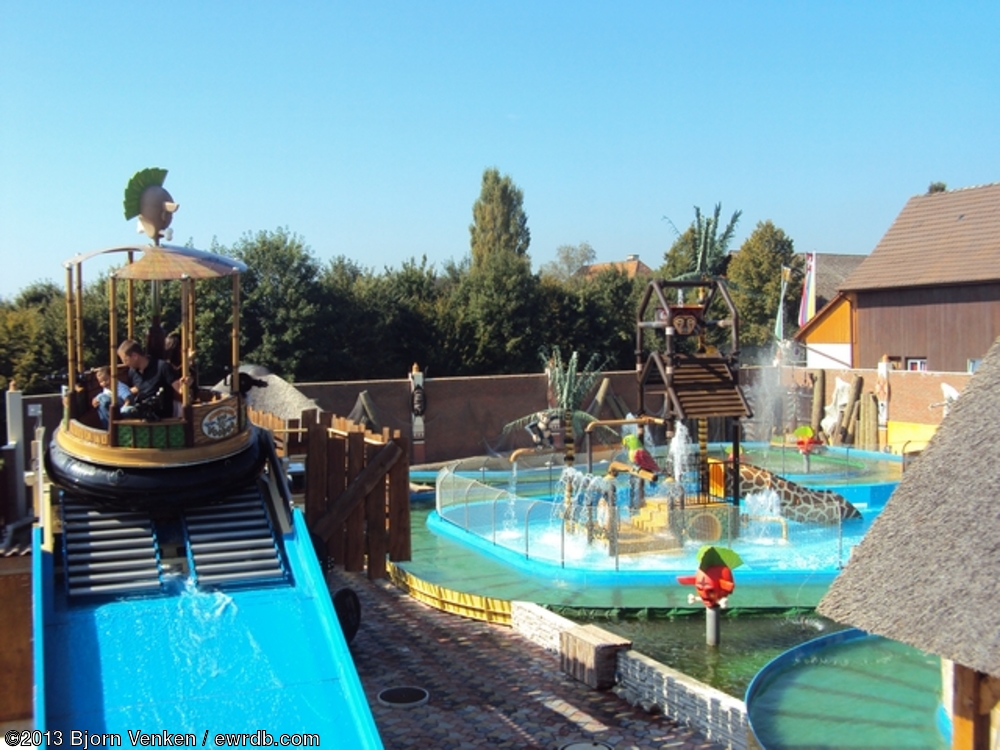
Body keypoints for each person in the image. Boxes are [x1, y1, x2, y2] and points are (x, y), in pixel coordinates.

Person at [116, 339, 189, 420]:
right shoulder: (132, 372)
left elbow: (180, 390)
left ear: (135, 356)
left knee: (125, 412)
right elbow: (139, 388)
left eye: (125, 360)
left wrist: (185, 385)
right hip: (141, 413)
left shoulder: (162, 367)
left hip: (161, 417)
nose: (125, 364)